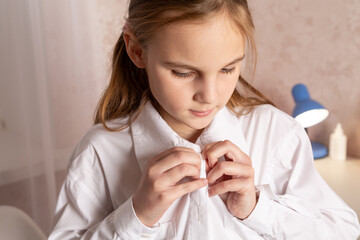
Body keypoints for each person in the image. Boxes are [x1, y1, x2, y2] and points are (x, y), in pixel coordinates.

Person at [49, 0, 360, 239]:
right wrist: (137, 215)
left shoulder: (275, 134)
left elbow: (344, 231)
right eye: (183, 72)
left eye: (228, 69)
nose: (209, 96)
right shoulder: (99, 153)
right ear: (136, 50)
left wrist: (256, 207)